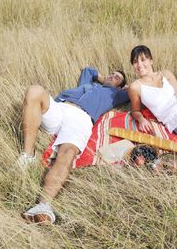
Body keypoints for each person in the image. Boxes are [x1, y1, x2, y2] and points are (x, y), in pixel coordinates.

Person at [19, 66, 129, 224]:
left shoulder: (116, 94)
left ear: (120, 86)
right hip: (60, 107)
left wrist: (123, 87)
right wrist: (104, 78)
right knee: (35, 90)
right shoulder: (86, 83)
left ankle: (43, 205)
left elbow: (135, 90)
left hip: (81, 117)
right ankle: (28, 156)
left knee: (68, 151)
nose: (112, 76)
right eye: (112, 74)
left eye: (117, 78)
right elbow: (88, 71)